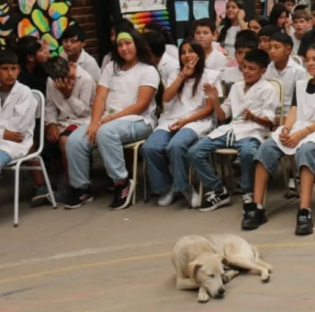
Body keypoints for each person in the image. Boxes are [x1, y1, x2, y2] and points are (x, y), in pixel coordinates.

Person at [249, 44, 315, 233]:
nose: (310, 63)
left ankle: (304, 211)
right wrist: (286, 129)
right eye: (308, 59)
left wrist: (300, 135)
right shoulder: (300, 85)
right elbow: (294, 111)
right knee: (267, 147)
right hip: (298, 127)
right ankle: (257, 207)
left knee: (307, 150)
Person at [64, 28, 160, 210]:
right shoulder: (111, 67)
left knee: (105, 133)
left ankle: (121, 182)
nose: (124, 48)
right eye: (120, 45)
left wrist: (110, 119)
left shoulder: (148, 70)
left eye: (128, 43)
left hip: (138, 120)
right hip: (107, 120)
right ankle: (81, 188)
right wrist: (94, 123)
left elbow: (142, 105)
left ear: (137, 44)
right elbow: (100, 97)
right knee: (74, 140)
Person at [189, 49, 279, 214]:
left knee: (247, 153)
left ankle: (248, 192)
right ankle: (218, 190)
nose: (246, 71)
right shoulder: (237, 86)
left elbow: (269, 123)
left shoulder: (267, 89)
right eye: (244, 67)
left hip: (252, 132)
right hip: (230, 130)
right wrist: (215, 100)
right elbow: (223, 115)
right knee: (195, 152)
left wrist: (253, 117)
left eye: (251, 69)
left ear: (263, 71)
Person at [142, 40, 220, 208]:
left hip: (197, 121)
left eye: (191, 51)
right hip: (172, 119)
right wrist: (182, 76)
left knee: (176, 146)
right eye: (183, 52)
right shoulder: (176, 73)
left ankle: (185, 188)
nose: (186, 55)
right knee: (150, 148)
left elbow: (208, 109)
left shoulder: (211, 75)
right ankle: (167, 186)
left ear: (199, 54)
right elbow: (166, 98)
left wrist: (185, 121)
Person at [42, 56, 95, 200]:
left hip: (83, 120)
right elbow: (50, 105)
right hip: (62, 120)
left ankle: (74, 185)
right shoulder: (51, 81)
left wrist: (68, 95)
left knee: (65, 141)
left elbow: (83, 111)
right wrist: (51, 124)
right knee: (44, 138)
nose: (63, 82)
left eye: (65, 76)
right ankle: (51, 184)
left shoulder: (85, 79)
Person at [0, 49, 38, 176]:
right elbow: (6, 132)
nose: (10, 73)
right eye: (5, 69)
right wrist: (3, 133)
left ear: (19, 70)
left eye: (13, 68)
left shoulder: (24, 93)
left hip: (14, 145)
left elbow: (17, 131)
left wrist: (5, 132)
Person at [265, 32, 307, 115]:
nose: (272, 51)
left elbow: (301, 101)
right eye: (270, 48)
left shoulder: (299, 71)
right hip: (268, 114)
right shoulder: (265, 70)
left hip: (290, 115)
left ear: (288, 50)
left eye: (276, 47)